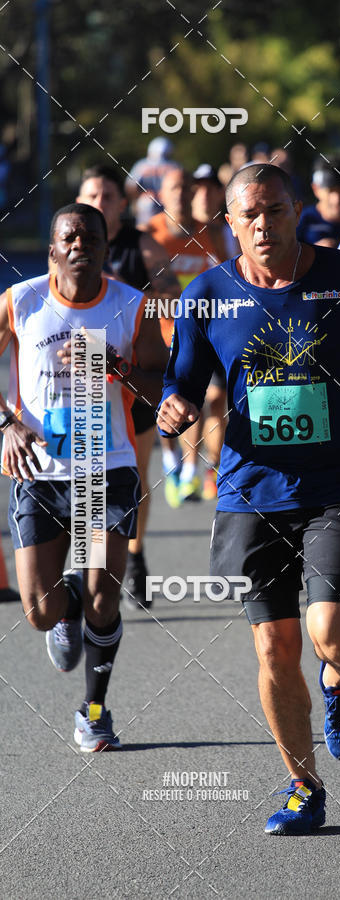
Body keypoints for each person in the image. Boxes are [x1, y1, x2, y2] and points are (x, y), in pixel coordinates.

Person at [157, 164, 340, 834]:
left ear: (297, 210)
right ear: (230, 223)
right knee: (275, 649)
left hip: (338, 482)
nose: (264, 225)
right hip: (251, 491)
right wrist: (176, 408)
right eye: (250, 215)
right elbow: (185, 382)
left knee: (328, 634)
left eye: (276, 211)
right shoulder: (207, 296)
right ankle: (302, 787)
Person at [0, 203, 165, 750]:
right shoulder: (21, 302)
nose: (79, 245)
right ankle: (64, 600)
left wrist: (115, 368)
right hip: (41, 471)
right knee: (42, 614)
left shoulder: (130, 305)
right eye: (68, 237)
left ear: (103, 245)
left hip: (105, 468)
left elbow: (157, 385)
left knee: (104, 600)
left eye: (90, 237)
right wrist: (8, 423)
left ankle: (94, 710)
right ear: (53, 248)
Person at [77, 165, 176, 608]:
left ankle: (134, 555)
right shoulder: (69, 244)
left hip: (132, 377)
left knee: (133, 478)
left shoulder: (141, 245)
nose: (99, 202)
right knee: (85, 477)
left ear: (122, 203)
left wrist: (129, 301)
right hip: (80, 381)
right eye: (91, 194)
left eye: (107, 195)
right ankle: (88, 566)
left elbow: (173, 295)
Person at [144, 168, 221, 505]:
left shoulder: (210, 233)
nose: (182, 193)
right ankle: (170, 456)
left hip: (202, 334)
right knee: (167, 403)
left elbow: (226, 272)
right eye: (175, 187)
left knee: (205, 398)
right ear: (162, 194)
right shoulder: (150, 234)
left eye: (187, 187)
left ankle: (191, 470)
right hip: (161, 334)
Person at [191, 163, 236, 499]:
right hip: (184, 331)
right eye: (199, 188)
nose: (205, 194)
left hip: (221, 329)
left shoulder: (229, 232)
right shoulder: (170, 232)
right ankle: (185, 466)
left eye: (211, 188)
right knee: (189, 397)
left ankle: (211, 466)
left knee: (217, 399)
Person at [125, 137, 180, 226]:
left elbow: (130, 186)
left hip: (161, 209)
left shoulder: (141, 165)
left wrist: (137, 199)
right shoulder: (174, 166)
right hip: (154, 208)